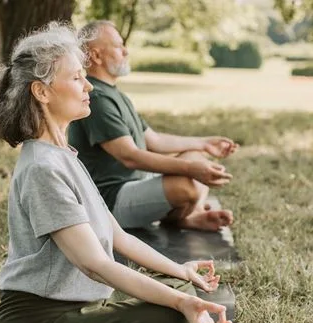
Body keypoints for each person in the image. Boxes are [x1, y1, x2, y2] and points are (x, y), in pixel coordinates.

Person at [0, 22, 234, 323]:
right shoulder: (42, 168)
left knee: (181, 288)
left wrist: (181, 272)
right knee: (172, 318)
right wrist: (180, 303)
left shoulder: (64, 155)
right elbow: (96, 265)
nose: (88, 86)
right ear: (41, 91)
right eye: (76, 78)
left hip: (84, 306)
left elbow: (119, 236)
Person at [68, 20, 239, 231]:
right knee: (188, 185)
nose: (126, 51)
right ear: (95, 56)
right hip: (109, 201)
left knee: (197, 157)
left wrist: (204, 144)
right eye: (118, 46)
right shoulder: (97, 98)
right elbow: (129, 156)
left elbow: (155, 140)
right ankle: (185, 216)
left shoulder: (115, 94)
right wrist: (191, 169)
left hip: (136, 184)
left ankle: (187, 217)